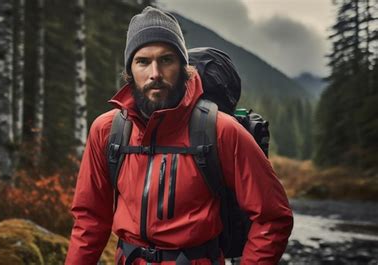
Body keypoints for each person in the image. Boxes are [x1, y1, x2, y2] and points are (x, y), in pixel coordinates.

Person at [65, 6, 293, 265]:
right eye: (143, 61)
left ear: (185, 68)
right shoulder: (107, 130)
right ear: (129, 71)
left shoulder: (220, 130)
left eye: (166, 60)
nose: (155, 74)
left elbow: (273, 218)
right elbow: (89, 220)